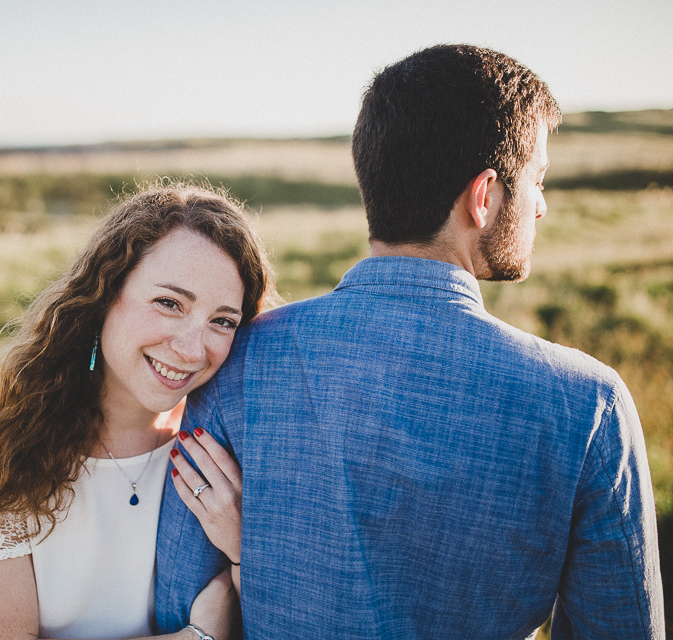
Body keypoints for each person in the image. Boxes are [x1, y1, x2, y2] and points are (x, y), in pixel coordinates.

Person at [156, 44, 664, 637]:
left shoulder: (236, 360)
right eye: (538, 181)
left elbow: (180, 604)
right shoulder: (587, 405)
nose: (543, 206)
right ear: (484, 198)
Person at [0, 181, 275, 639]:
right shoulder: (5, 447)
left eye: (222, 321)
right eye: (169, 303)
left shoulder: (223, 455)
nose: (192, 349)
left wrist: (247, 551)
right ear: (105, 294)